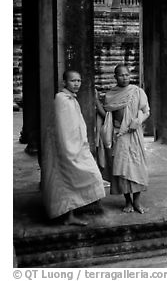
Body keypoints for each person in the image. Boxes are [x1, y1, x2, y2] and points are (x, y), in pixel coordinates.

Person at [40, 70, 106, 226]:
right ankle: (69, 216)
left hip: (76, 145)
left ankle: (71, 215)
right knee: (67, 180)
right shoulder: (61, 99)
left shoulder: (72, 100)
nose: (77, 84)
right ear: (64, 82)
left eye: (79, 80)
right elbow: (62, 128)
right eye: (73, 81)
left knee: (84, 176)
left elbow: (75, 124)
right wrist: (70, 149)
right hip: (65, 147)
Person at [96, 64, 150, 213]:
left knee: (137, 168)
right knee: (122, 170)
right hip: (119, 135)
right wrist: (96, 102)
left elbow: (146, 111)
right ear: (115, 77)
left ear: (130, 75)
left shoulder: (137, 92)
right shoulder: (110, 95)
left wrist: (138, 121)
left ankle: (137, 202)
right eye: (121, 75)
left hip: (134, 134)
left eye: (127, 75)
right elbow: (106, 115)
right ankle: (127, 201)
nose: (124, 77)